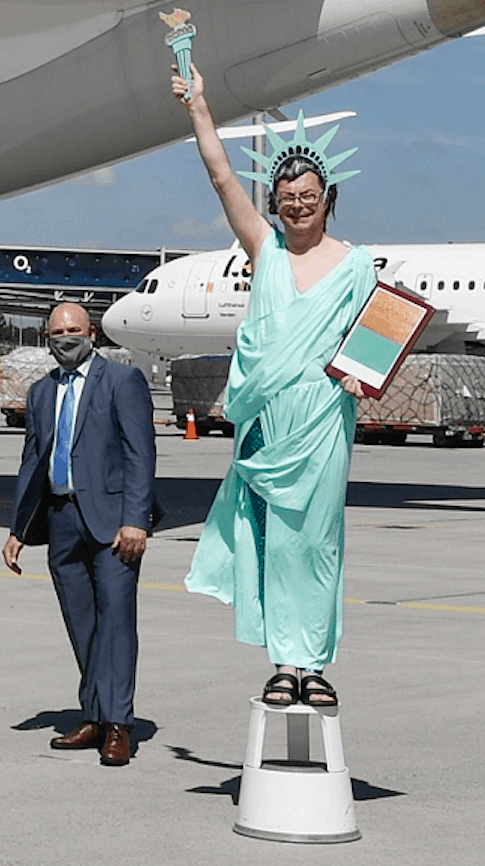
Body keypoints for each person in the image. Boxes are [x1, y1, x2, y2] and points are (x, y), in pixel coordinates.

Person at [172, 65, 376, 707]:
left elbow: (374, 342)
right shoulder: (264, 250)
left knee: (317, 542)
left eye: (308, 194)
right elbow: (221, 176)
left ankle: (312, 662)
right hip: (269, 419)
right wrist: (200, 107)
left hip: (323, 418)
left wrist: (369, 381)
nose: (296, 203)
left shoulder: (356, 264)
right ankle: (284, 662)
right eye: (286, 196)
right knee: (274, 541)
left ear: (327, 196)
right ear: (275, 203)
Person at [2, 303, 156, 765]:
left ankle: (119, 725)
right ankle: (94, 713)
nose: (65, 338)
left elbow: (139, 455)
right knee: (82, 623)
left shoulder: (121, 382)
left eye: (72, 330)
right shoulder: (42, 393)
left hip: (113, 523)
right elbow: (33, 463)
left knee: (116, 623)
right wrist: (19, 531)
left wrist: (136, 520)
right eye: (56, 333)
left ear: (91, 332)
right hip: (62, 519)